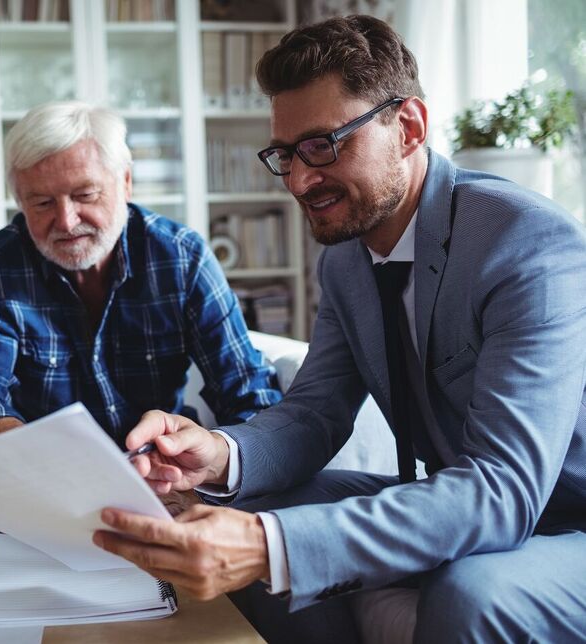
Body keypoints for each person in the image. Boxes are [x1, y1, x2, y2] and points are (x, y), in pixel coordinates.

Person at [92, 15, 586, 644]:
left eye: (324, 145)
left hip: (563, 516)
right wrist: (217, 455)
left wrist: (273, 548)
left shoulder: (525, 243)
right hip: (459, 497)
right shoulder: (347, 262)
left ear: (407, 127)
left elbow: (503, 489)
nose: (299, 180)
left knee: (473, 597)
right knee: (239, 505)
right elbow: (313, 415)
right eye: (286, 154)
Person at [0, 101, 281, 553]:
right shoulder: (1, 264)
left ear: (125, 183)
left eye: (84, 195)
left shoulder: (182, 257)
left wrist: (206, 466)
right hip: (42, 482)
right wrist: (21, 449)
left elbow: (251, 397)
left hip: (158, 476)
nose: (65, 221)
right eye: (41, 202)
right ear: (19, 202)